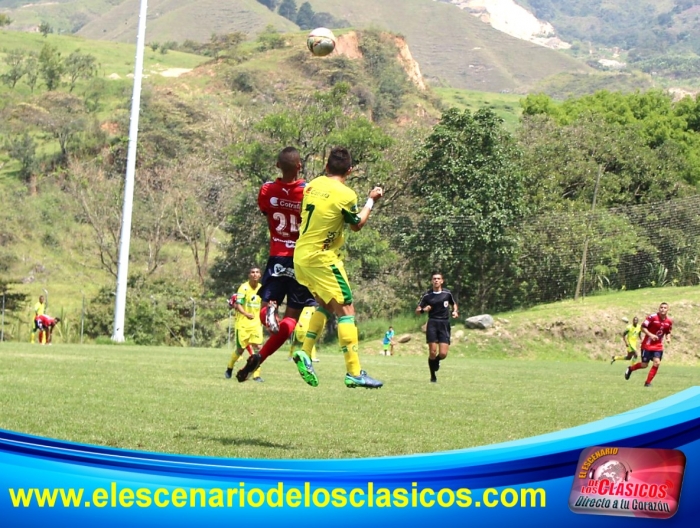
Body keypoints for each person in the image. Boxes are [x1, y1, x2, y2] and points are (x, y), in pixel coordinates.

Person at [292, 146, 384, 389]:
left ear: (326, 166)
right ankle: (354, 372)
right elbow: (356, 224)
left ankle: (305, 352)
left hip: (300, 255)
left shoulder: (311, 185)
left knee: (324, 303)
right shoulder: (346, 195)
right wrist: (371, 201)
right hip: (321, 257)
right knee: (347, 310)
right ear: (350, 170)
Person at [235, 147, 318, 383]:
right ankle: (262, 355)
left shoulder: (267, 190)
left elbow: (266, 211)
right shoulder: (308, 192)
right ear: (300, 166)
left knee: (266, 305)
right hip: (301, 261)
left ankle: (261, 349)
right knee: (291, 319)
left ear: (277, 165)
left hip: (277, 256)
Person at [416, 273, 459, 383]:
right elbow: (417, 310)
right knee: (432, 352)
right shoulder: (427, 295)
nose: (436, 280)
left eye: (438, 279)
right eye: (434, 279)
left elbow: (454, 304)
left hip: (444, 323)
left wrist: (455, 311)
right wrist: (424, 310)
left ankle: (437, 361)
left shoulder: (447, 293)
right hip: (432, 323)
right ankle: (433, 376)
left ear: (442, 281)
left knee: (443, 354)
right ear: (432, 281)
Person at [225, 267, 264, 382]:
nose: (255, 274)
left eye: (257, 272)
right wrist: (246, 314)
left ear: (260, 275)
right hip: (243, 324)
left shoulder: (262, 288)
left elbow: (265, 303)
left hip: (256, 324)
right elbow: (238, 304)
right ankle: (229, 367)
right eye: (252, 272)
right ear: (249, 275)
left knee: (259, 349)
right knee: (240, 350)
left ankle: (256, 375)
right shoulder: (243, 287)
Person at [625, 302, 672, 387]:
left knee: (657, 363)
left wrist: (668, 338)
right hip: (647, 345)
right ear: (659, 308)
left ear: (668, 309)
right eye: (661, 307)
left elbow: (668, 332)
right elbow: (642, 328)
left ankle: (647, 383)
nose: (663, 309)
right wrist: (651, 335)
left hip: (658, 346)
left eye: (665, 308)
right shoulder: (652, 317)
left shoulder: (669, 321)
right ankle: (630, 368)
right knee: (644, 365)